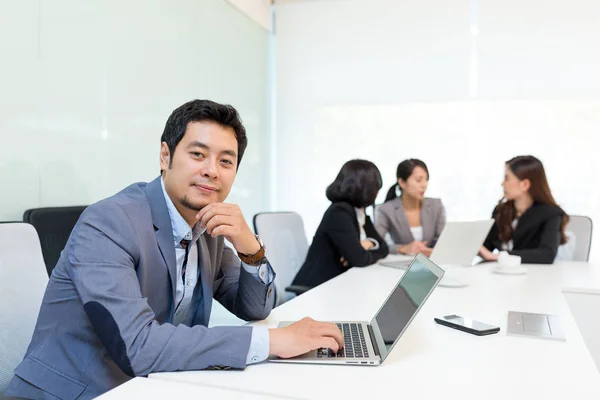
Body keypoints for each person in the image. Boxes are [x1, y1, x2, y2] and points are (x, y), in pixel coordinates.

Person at [5, 100, 343, 399]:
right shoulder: (109, 222)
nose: (212, 170)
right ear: (165, 156)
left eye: (226, 161)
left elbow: (254, 307)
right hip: (74, 392)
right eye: (197, 154)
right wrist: (273, 342)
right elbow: (137, 346)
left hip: (153, 385)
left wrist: (249, 247)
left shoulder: (206, 226)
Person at [292, 160, 389, 289]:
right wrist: (360, 252)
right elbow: (360, 259)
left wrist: (368, 243)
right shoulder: (339, 212)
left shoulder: (359, 211)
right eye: (376, 188)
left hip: (341, 282)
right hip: (317, 287)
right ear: (365, 188)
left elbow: (384, 248)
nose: (377, 193)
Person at [479, 155, 569, 264]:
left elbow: (547, 254)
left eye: (507, 178)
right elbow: (487, 248)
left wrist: (499, 256)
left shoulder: (550, 214)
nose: (502, 183)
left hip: (536, 276)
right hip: (502, 275)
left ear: (525, 184)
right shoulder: (501, 211)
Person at [375, 159, 446, 257]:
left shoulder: (436, 205)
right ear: (402, 183)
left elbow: (443, 239)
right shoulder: (385, 209)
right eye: (419, 180)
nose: (424, 185)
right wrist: (402, 248)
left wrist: (432, 250)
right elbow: (376, 244)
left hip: (432, 260)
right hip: (401, 263)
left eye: (426, 180)